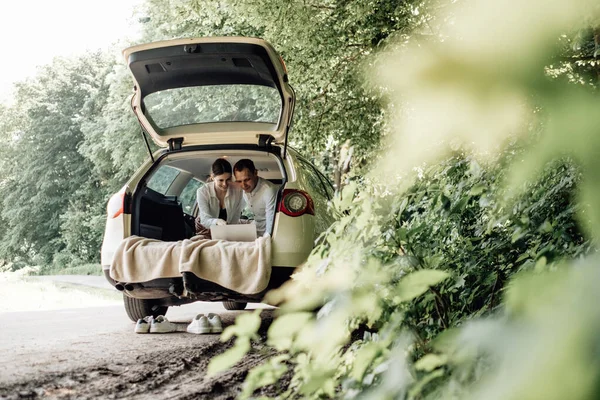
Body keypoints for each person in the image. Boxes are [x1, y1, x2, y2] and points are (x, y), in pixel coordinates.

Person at [195, 158, 244, 232]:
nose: (225, 184)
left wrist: (231, 233)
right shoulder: (202, 192)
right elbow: (205, 220)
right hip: (207, 229)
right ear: (212, 177)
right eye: (221, 180)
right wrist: (217, 222)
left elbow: (235, 217)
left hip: (228, 230)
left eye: (228, 179)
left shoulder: (238, 190)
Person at [233, 159, 277, 236]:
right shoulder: (241, 189)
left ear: (255, 173)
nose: (243, 185)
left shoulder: (268, 190)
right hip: (254, 228)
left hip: (268, 232)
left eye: (247, 180)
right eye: (239, 181)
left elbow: (271, 221)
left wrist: (265, 240)